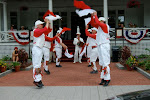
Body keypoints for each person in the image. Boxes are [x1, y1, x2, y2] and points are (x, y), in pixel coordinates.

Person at [32, 19, 58, 88]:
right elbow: (45, 29)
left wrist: (49, 23)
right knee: (36, 65)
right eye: (41, 24)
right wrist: (47, 22)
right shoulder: (36, 31)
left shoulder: (41, 33)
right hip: (36, 48)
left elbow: (48, 31)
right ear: (37, 25)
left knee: (38, 64)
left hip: (39, 49)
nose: (42, 25)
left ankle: (38, 79)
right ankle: (36, 80)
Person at [90, 12, 111, 86]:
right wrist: (92, 17)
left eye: (100, 21)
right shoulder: (99, 27)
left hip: (104, 45)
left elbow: (98, 23)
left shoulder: (105, 26)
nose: (99, 22)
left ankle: (107, 79)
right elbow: (93, 24)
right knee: (101, 63)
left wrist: (95, 15)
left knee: (105, 62)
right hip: (100, 45)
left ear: (103, 21)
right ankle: (103, 78)